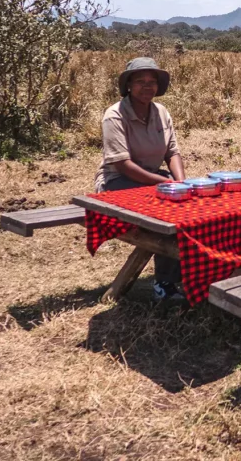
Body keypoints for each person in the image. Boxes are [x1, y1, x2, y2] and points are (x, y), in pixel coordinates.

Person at [95, 57, 187, 301]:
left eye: (152, 82)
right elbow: (121, 164)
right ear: (128, 85)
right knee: (165, 213)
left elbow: (172, 152)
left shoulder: (161, 112)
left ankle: (180, 274)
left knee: (188, 207)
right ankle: (164, 285)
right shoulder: (114, 115)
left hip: (155, 179)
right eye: (140, 81)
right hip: (117, 182)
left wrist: (181, 183)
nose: (147, 86)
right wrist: (163, 183)